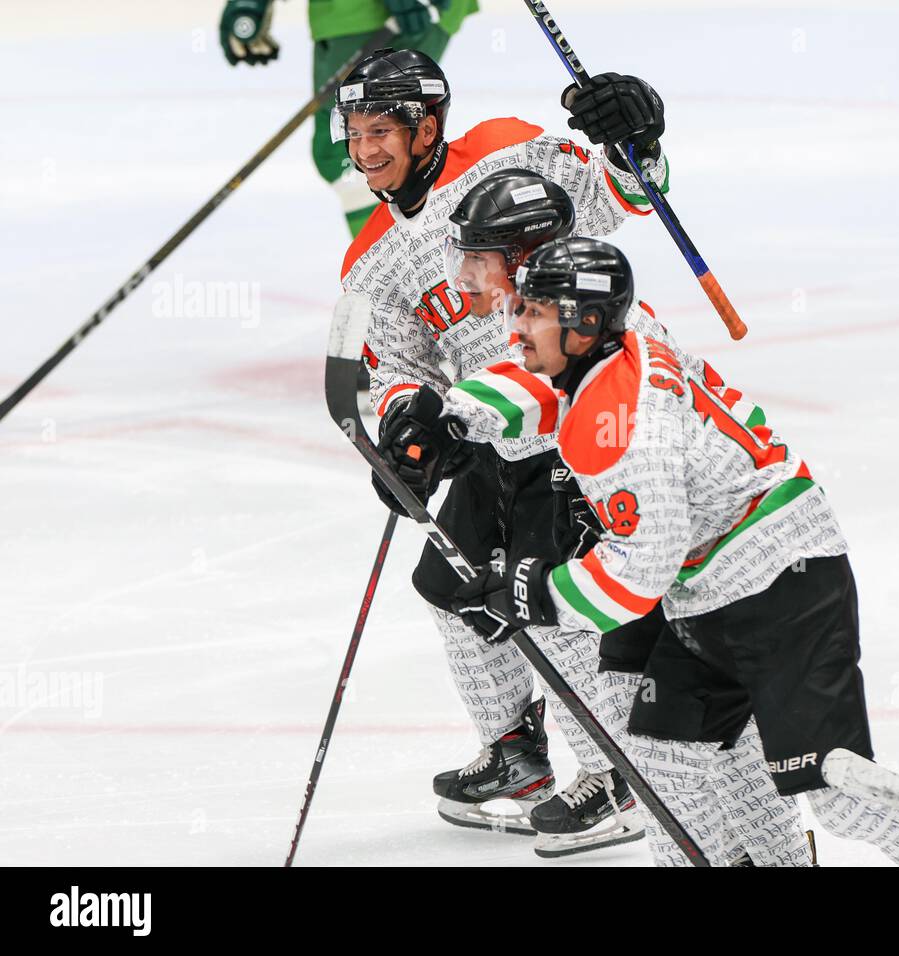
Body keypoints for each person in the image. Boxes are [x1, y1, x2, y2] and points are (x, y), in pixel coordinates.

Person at [397, 234, 899, 866]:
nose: (517, 329)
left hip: (781, 581)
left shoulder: (628, 432)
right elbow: (533, 383)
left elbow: (637, 580)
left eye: (534, 314)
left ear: (583, 324)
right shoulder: (625, 340)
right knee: (657, 757)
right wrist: (450, 418)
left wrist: (529, 590)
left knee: (833, 794)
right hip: (712, 586)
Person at [388, 169, 814, 863]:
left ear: (528, 261)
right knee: (669, 747)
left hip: (712, 568)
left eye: (480, 259)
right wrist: (438, 423)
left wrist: (536, 589)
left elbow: (536, 391)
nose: (465, 277)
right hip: (663, 554)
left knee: (702, 746)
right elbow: (522, 387)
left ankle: (741, 841)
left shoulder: (607, 339)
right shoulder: (561, 321)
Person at [333, 43, 673, 849]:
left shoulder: (513, 150)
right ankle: (517, 753)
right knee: (449, 579)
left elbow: (630, 194)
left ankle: (615, 775)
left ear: (428, 127)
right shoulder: (368, 262)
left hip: (585, 402)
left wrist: (637, 139)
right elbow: (400, 372)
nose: (366, 149)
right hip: (487, 427)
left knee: (547, 595)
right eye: (355, 133)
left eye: (382, 129)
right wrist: (409, 432)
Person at [219, 0, 480, 236]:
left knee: (371, 152)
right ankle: (413, 268)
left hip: (367, 14)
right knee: (358, 155)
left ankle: (412, 270)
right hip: (351, 16)